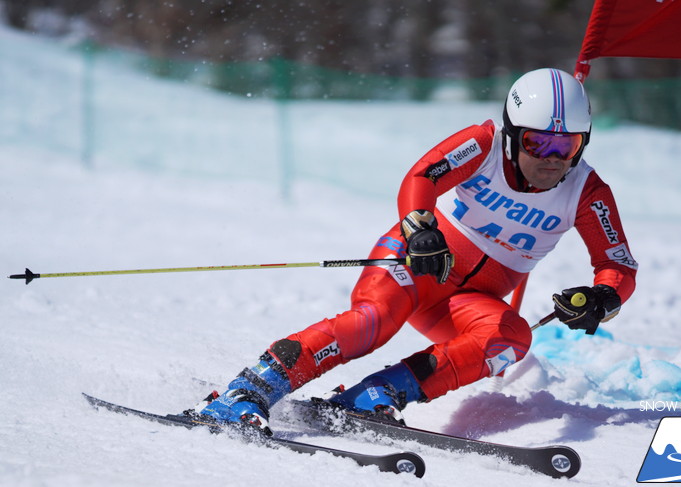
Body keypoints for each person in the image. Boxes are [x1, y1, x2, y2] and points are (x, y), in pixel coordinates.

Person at [190, 68, 638, 434]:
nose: (552, 158)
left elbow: (617, 263)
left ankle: (373, 396)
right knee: (373, 322)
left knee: (511, 338)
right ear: (512, 134)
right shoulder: (482, 145)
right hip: (422, 261)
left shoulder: (586, 190)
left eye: (568, 145)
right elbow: (422, 176)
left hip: (469, 301)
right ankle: (249, 390)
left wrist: (603, 297)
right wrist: (421, 227)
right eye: (537, 142)